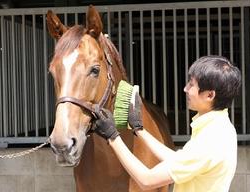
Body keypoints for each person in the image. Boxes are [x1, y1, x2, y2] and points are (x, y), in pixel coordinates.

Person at [92, 55, 241, 192]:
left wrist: (112, 137)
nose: (185, 89)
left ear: (210, 95)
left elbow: (147, 180)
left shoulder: (211, 140)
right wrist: (139, 129)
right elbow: (177, 160)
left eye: (191, 85)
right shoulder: (219, 128)